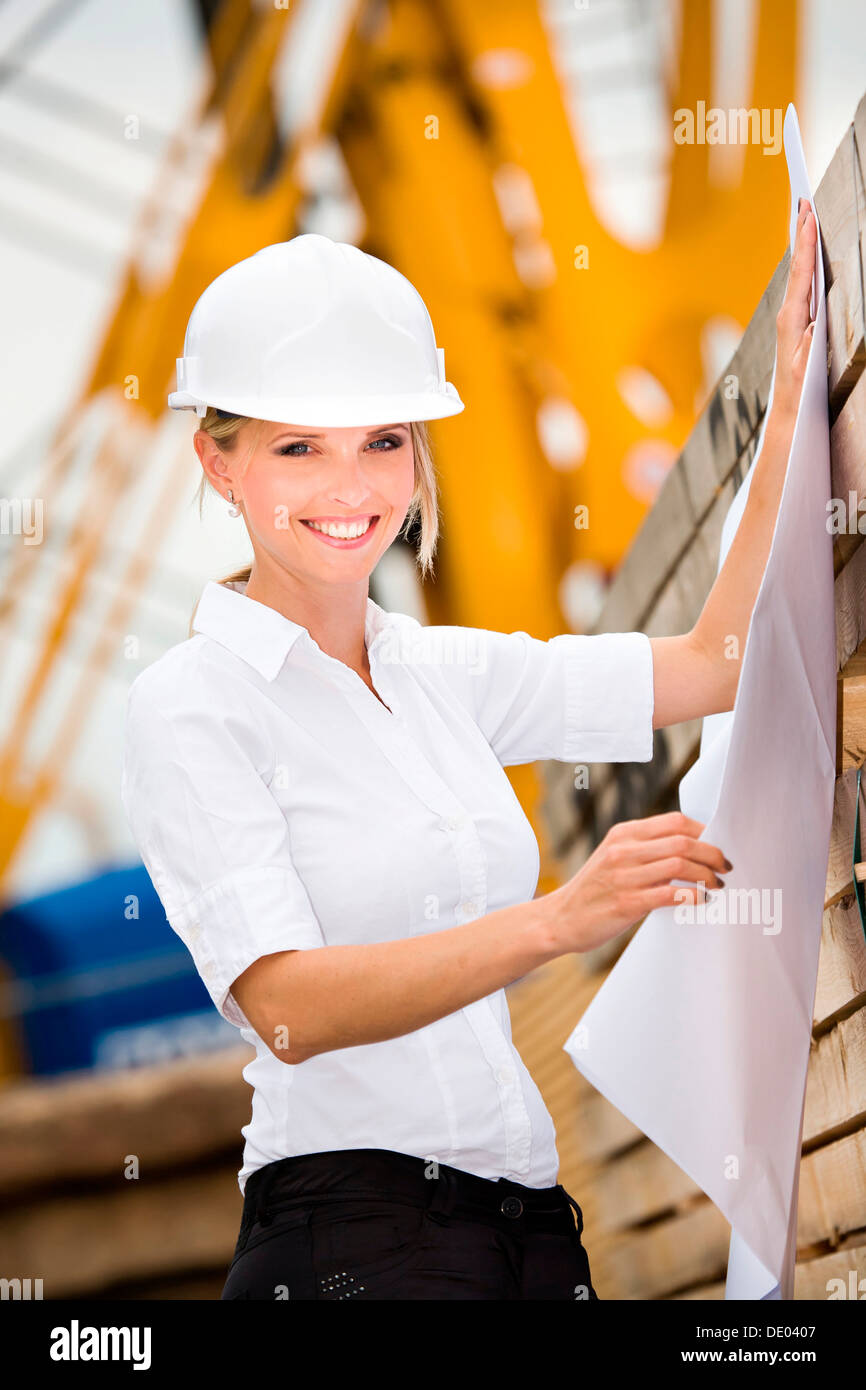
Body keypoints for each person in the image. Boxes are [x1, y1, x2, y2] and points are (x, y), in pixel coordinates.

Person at [121, 212, 815, 1300]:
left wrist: (787, 412)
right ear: (219, 461)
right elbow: (288, 1010)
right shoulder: (192, 705)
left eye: (382, 442)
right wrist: (557, 918)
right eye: (298, 447)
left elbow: (712, 664)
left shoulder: (444, 673)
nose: (350, 489)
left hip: (526, 1230)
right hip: (351, 1240)